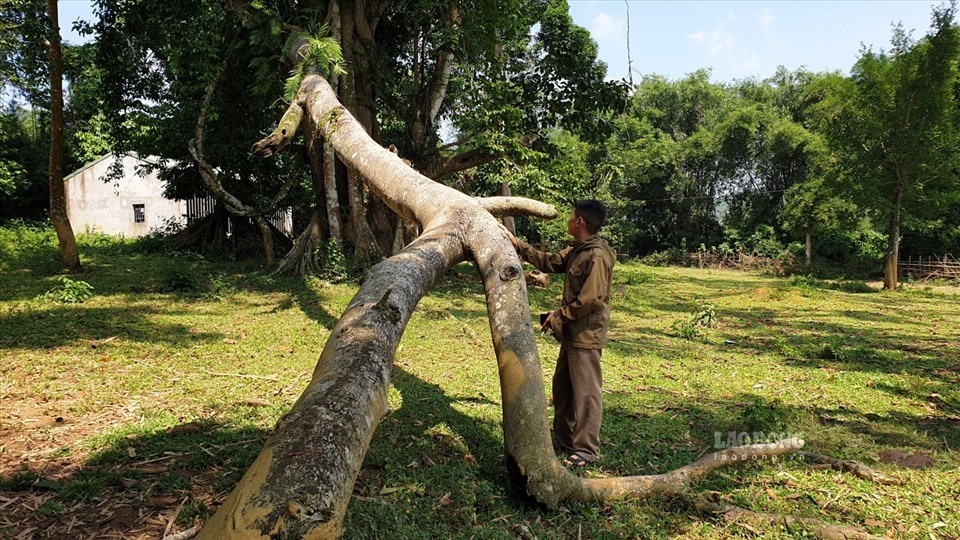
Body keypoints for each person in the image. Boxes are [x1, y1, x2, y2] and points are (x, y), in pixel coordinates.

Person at [500, 199, 616, 467]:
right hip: (572, 333)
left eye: (570, 217)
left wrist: (558, 316)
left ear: (579, 223)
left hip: (586, 335)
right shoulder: (579, 250)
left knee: (586, 393)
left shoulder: (597, 255)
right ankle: (563, 440)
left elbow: (591, 300)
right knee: (563, 388)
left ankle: (586, 450)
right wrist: (519, 246)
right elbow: (550, 262)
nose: (567, 221)